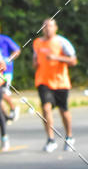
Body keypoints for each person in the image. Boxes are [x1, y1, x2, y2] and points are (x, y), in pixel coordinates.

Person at [33, 18, 77, 152]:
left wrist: (56, 58)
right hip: (43, 81)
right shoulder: (37, 43)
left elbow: (73, 61)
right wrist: (35, 64)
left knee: (63, 111)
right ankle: (50, 139)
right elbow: (36, 59)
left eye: (50, 26)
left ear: (55, 28)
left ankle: (69, 136)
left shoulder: (62, 42)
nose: (47, 29)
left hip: (60, 82)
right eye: (45, 27)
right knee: (46, 109)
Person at [0, 23, 20, 121]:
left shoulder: (5, 40)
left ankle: (13, 108)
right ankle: (5, 116)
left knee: (2, 92)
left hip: (6, 71)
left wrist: (9, 59)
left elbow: (17, 51)